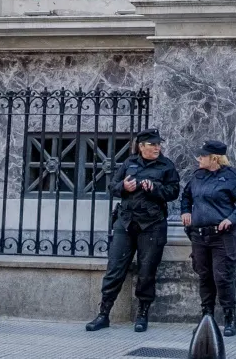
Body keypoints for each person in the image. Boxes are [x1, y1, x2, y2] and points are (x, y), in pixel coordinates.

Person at [86, 129, 180, 332]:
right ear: (142, 146)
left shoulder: (166, 165)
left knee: (147, 272)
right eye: (153, 144)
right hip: (126, 223)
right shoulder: (129, 163)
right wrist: (123, 187)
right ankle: (104, 314)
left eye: (158, 144)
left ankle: (142, 315)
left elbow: (173, 192)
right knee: (114, 270)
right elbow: (112, 186)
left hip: (152, 225)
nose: (157, 148)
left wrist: (154, 189)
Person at [180, 138, 236, 336]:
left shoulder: (231, 177)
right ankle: (207, 318)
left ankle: (230, 318)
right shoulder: (197, 176)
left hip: (223, 236)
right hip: (200, 235)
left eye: (202, 155)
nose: (198, 158)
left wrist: (231, 219)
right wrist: (185, 211)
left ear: (214, 158)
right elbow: (185, 196)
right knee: (204, 276)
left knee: (222, 277)